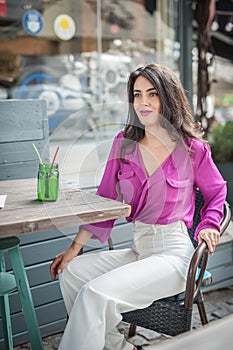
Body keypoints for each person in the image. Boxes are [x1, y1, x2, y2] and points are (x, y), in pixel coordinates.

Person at [50, 64, 226, 350]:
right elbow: (105, 199)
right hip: (140, 250)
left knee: (96, 294)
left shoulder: (192, 148)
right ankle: (118, 347)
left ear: (167, 98)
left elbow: (217, 192)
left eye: (152, 94)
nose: (143, 102)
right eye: (137, 95)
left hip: (175, 256)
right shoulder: (124, 144)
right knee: (73, 273)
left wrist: (209, 225)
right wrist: (75, 247)